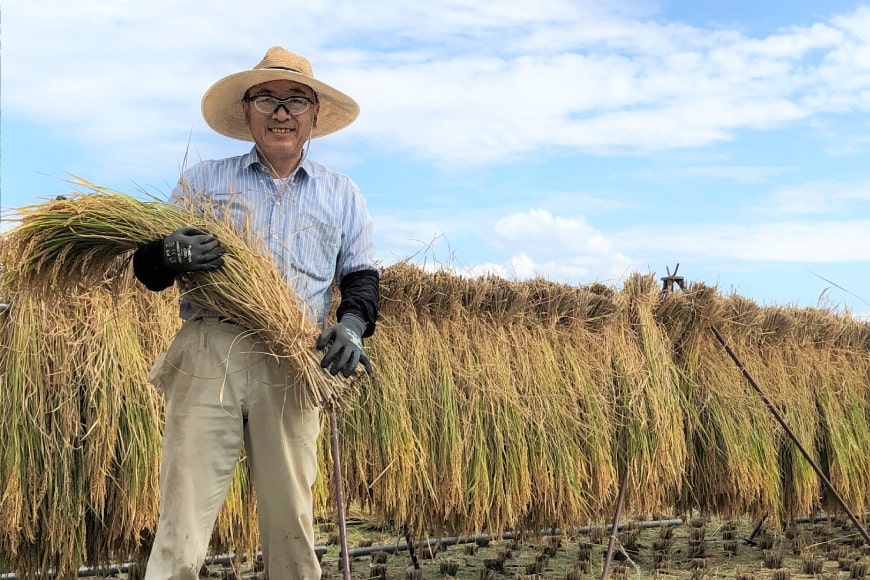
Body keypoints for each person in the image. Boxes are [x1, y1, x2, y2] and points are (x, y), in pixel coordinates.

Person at [131, 47, 379, 579]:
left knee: (292, 525)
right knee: (181, 520)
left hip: (293, 361)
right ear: (247, 111)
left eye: (295, 101)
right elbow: (148, 269)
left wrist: (354, 326)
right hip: (208, 352)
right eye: (267, 99)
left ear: (314, 115)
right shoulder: (202, 182)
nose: (281, 112)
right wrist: (168, 252)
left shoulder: (342, 195)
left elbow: (361, 279)